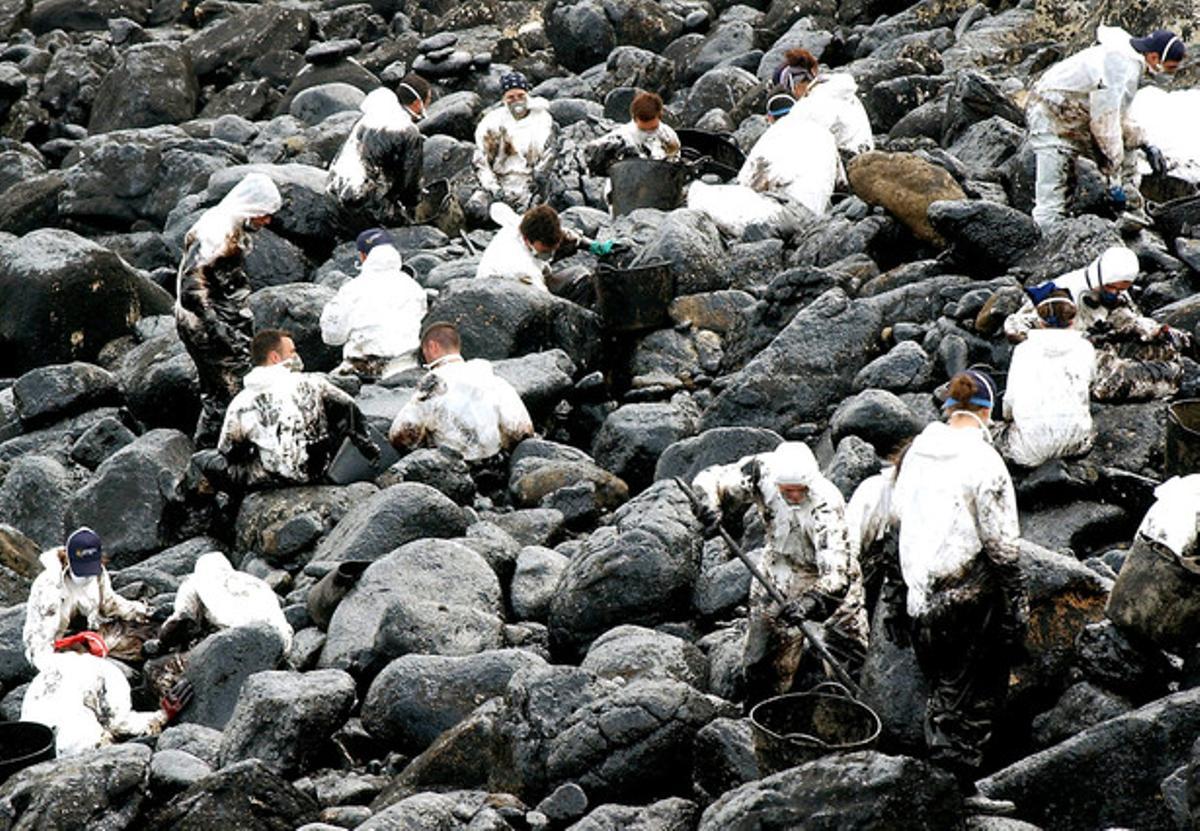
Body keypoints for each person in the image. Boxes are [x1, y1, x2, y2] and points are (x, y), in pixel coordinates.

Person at [887, 369, 1025, 810]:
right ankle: (956, 789)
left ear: (947, 409)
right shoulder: (985, 461)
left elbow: (896, 522)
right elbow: (1002, 544)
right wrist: (1016, 605)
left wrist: (893, 598)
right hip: (966, 596)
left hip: (919, 596)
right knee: (974, 690)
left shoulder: (915, 454)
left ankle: (938, 777)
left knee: (942, 684)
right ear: (986, 411)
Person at [691, 442, 868, 705]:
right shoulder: (761, 472)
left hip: (827, 578)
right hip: (778, 569)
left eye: (800, 491)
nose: (795, 496)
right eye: (788, 491)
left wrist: (809, 603)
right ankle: (766, 708)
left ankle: (844, 708)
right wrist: (709, 505)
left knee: (848, 651)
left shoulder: (827, 504)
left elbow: (837, 575)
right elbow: (711, 478)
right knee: (763, 658)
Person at [1026, 27, 1184, 228]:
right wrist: (1113, 180)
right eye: (1170, 68)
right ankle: (1046, 246)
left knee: (1128, 150)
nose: (1170, 75)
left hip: (1075, 114)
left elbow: (1120, 116)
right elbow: (1106, 126)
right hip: (1052, 117)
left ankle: (1131, 209)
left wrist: (1146, 143)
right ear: (1154, 57)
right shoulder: (1118, 65)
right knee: (1053, 197)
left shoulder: (1128, 61)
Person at [195, 329, 379, 492]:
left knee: (202, 460)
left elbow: (229, 450)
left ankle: (200, 514)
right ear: (275, 357)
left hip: (273, 478)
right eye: (292, 352)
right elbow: (350, 407)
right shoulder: (314, 382)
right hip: (318, 470)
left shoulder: (242, 402)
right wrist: (367, 446)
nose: (296, 356)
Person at [176, 172, 282, 447]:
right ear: (253, 206)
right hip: (207, 325)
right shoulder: (217, 231)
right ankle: (224, 455)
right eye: (265, 214)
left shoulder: (231, 225)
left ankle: (206, 453)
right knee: (233, 390)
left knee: (216, 393)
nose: (267, 221)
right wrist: (219, 329)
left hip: (218, 319)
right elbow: (193, 288)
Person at [388, 322, 533, 464]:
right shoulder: (493, 379)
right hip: (495, 466)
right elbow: (521, 431)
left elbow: (401, 436)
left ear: (433, 346)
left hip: (453, 468)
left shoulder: (433, 385)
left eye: (424, 351)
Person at [22, 527, 153, 672]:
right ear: (68, 561)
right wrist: (55, 667)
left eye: (91, 569)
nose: (87, 576)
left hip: (92, 634)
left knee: (147, 637)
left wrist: (141, 611)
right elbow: (39, 643)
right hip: (57, 645)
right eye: (82, 569)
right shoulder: (49, 588)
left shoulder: (98, 574)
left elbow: (110, 604)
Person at [21, 652, 192, 757]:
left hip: (29, 740)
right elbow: (119, 724)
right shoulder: (108, 672)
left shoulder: (45, 675)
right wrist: (162, 716)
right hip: (78, 745)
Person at [995, 294, 1096, 468]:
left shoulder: (1023, 350)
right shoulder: (1085, 348)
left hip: (1028, 450)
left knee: (991, 433)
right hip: (1077, 443)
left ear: (1040, 321)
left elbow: (1010, 402)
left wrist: (1007, 418)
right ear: (1072, 320)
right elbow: (1091, 382)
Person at [320, 228, 428, 381]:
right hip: (408, 366)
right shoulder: (414, 288)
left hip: (364, 370)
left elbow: (331, 336)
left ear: (363, 256)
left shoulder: (351, 290)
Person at [327, 75, 431, 229]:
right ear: (417, 103)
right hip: (362, 205)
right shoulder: (408, 132)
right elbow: (410, 184)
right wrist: (413, 208)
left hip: (334, 191)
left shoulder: (370, 118)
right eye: (428, 100)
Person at [151, 552, 293, 655]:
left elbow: (181, 617)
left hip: (236, 641)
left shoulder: (195, 582)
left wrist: (161, 644)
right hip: (280, 640)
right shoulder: (257, 584)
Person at [475, 203, 618, 295]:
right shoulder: (522, 268)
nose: (550, 253)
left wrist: (593, 246)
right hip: (504, 294)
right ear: (527, 240)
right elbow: (545, 303)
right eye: (545, 250)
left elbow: (564, 234)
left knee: (580, 274)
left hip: (533, 270)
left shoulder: (528, 224)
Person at [471, 72, 557, 216]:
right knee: (475, 210)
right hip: (499, 182)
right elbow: (481, 162)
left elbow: (549, 156)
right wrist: (493, 188)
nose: (516, 101)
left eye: (520, 96)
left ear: (527, 94)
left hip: (529, 183)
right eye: (511, 97)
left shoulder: (542, 119)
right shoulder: (492, 122)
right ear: (504, 99)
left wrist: (537, 184)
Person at [774, 48, 874, 156]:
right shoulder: (840, 88)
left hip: (847, 160)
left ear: (795, 86)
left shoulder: (808, 106)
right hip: (867, 153)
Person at [584, 90, 682, 175]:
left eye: (653, 128)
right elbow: (592, 150)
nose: (648, 131)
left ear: (660, 115)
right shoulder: (623, 135)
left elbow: (675, 157)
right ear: (634, 118)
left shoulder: (668, 134)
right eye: (644, 129)